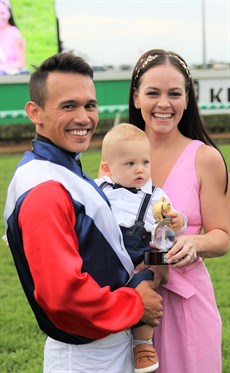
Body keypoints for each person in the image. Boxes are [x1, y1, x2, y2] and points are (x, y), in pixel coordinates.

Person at [3, 52, 163, 373]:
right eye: (68, 106)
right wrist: (136, 302)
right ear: (35, 112)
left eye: (90, 105)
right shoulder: (45, 184)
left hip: (104, 344)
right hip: (87, 355)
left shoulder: (61, 167)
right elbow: (63, 296)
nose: (84, 117)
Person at [127, 49, 229, 373]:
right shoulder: (119, 155)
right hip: (132, 304)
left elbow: (223, 236)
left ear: (187, 99)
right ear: (136, 97)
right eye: (153, 92)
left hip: (187, 308)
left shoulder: (205, 158)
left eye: (174, 93)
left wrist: (195, 243)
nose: (164, 103)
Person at [95, 122, 187, 373]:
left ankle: (143, 344)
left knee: (143, 287)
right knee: (101, 291)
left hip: (139, 258)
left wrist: (177, 220)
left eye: (145, 163)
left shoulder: (156, 196)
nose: (140, 170)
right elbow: (72, 210)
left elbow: (168, 222)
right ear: (106, 168)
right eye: (129, 164)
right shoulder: (98, 188)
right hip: (108, 257)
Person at [0, 0, 26, 75]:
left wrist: (3, 67)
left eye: (2, 13)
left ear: (9, 13)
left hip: (10, 77)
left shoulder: (15, 34)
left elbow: (21, 63)